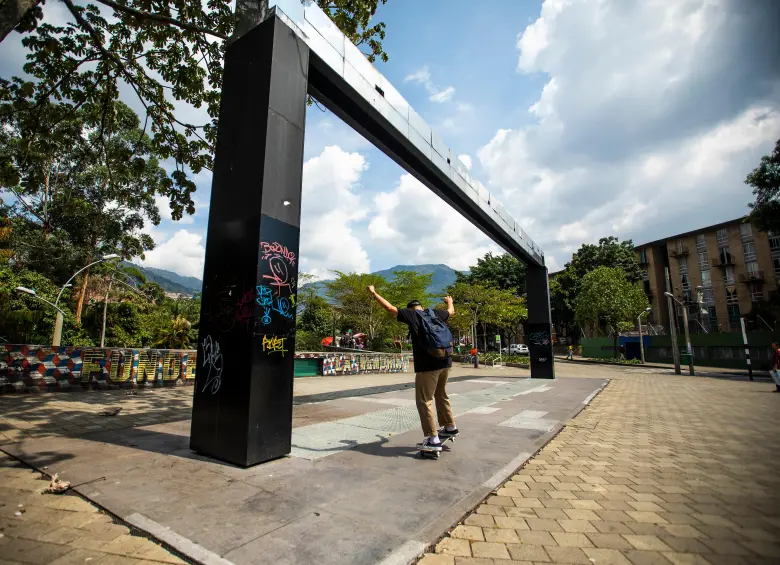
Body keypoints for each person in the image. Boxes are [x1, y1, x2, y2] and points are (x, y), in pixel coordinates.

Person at [367, 285, 458, 452]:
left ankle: (433, 439)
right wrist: (449, 302)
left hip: (428, 365)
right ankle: (450, 427)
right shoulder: (434, 313)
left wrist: (373, 293)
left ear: (411, 309)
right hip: (446, 362)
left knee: (424, 400)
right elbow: (451, 312)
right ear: (422, 307)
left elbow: (390, 308)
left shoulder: (412, 315)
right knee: (441, 394)